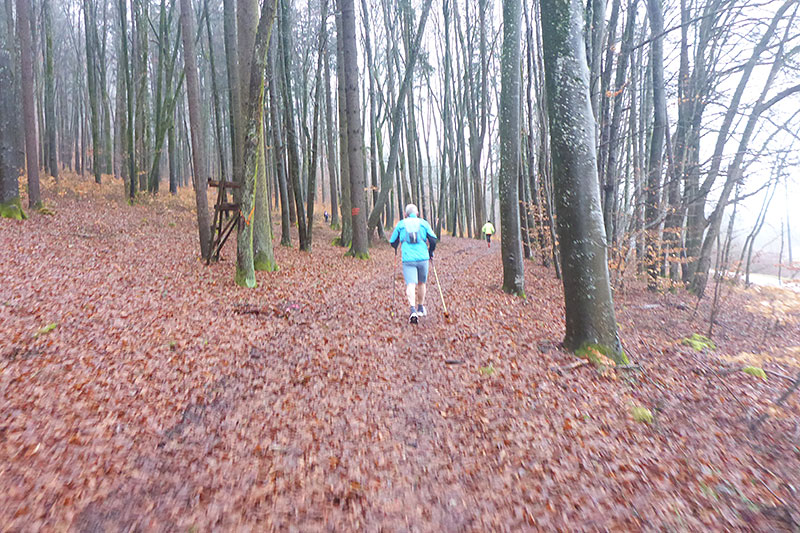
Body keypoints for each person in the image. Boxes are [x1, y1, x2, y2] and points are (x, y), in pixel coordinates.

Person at [390, 204, 437, 324]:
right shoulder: (423, 223)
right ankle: (420, 308)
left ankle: (412, 310)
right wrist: (430, 251)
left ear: (405, 214)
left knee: (410, 284)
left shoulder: (401, 224)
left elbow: (392, 241)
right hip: (423, 258)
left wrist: (396, 246)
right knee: (421, 283)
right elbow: (433, 239)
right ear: (417, 213)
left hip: (408, 259)